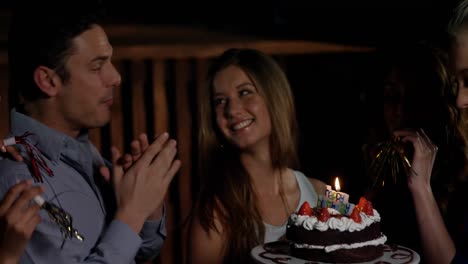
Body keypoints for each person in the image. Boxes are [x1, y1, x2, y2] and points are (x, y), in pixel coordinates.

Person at [0, 1, 181, 263]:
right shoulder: (20, 182)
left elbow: (138, 254)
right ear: (49, 81)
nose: (116, 77)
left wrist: (144, 207)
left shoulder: (79, 150)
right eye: (97, 67)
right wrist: (130, 214)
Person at [187, 48, 327, 264]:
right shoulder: (216, 211)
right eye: (220, 101)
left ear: (275, 97)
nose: (232, 110)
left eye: (244, 92)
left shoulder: (322, 193)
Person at [362, 41, 468, 264]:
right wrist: (375, 184)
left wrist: (421, 188)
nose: (400, 111)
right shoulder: (378, 160)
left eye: (415, 98)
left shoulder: (462, 175)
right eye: (392, 97)